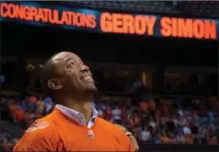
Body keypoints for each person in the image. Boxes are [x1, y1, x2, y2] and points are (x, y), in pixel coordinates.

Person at [13, 52, 138, 152]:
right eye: (71, 65)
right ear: (56, 83)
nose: (85, 68)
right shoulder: (40, 136)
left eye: (82, 64)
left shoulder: (118, 135)